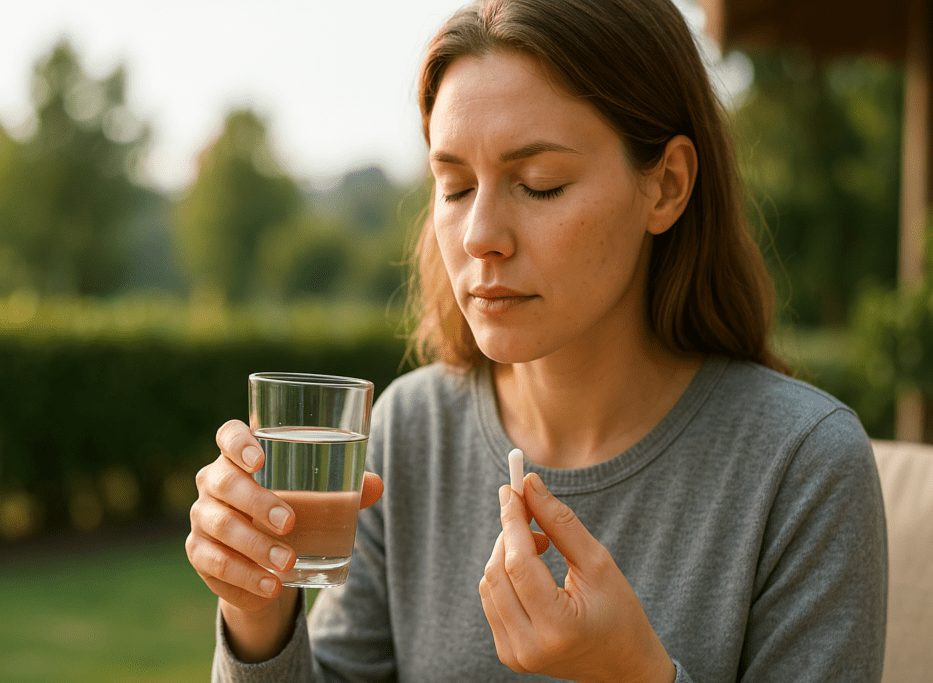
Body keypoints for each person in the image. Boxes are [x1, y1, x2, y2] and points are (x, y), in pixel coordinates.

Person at [186, 0, 888, 681]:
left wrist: (632, 675)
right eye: (455, 186)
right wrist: (259, 611)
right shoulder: (411, 430)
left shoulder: (803, 466)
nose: (479, 235)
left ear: (667, 186)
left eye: (539, 184)